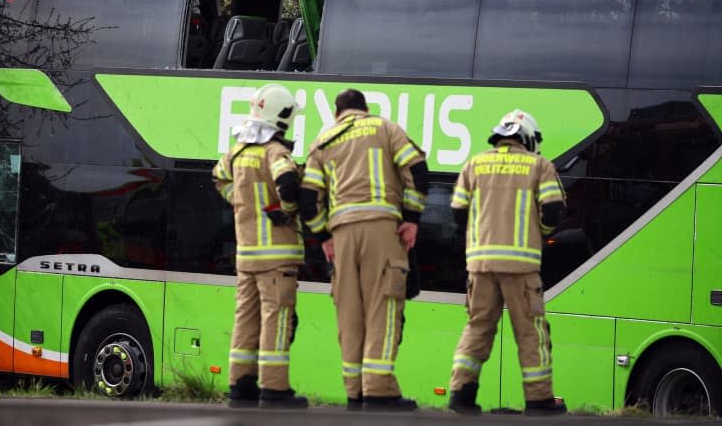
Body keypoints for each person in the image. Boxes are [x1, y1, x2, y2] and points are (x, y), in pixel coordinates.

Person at [299, 88, 429, 412]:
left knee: (349, 315)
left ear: (337, 114)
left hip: (341, 236)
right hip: (382, 230)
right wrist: (411, 219)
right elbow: (418, 171)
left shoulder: (322, 141)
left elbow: (307, 198)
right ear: (364, 109)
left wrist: (323, 236)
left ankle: (355, 392)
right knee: (383, 309)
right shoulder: (385, 128)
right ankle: (379, 391)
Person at [448, 109, 567, 416]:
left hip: (480, 265)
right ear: (526, 137)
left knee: (477, 328)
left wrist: (478, 239)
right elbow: (553, 210)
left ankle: (461, 395)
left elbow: (458, 211)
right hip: (521, 267)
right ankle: (539, 400)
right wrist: (538, 233)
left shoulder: (474, 164)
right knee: (530, 332)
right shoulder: (539, 165)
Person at [212, 84, 308, 409]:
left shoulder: (238, 151)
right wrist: (287, 211)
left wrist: (240, 202)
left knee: (246, 318)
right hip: (276, 258)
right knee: (276, 318)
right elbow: (289, 186)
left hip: (246, 255)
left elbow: (219, 177)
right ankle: (274, 388)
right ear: (280, 117)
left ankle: (240, 385)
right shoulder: (274, 152)